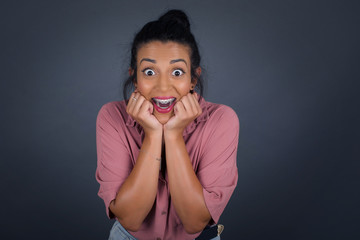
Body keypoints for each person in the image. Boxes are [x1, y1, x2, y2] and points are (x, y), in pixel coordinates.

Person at [95, 9, 239, 240]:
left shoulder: (221, 119)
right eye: (149, 72)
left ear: (193, 79)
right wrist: (153, 135)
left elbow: (194, 223)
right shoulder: (111, 116)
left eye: (177, 72)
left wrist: (173, 135)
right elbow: (129, 219)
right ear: (135, 78)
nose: (163, 87)